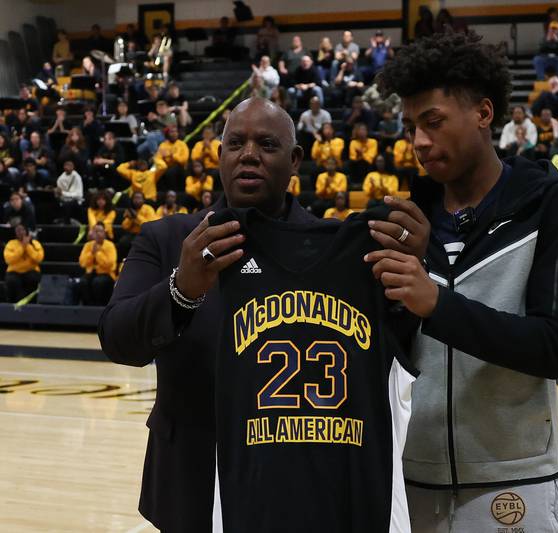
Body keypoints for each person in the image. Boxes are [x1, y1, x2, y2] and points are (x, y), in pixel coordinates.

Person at [99, 97, 429, 531]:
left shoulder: (335, 250)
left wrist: (414, 276)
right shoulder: (170, 240)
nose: (249, 154)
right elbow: (117, 338)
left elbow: (394, 349)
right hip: (191, 478)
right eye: (235, 142)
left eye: (266, 144)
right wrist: (182, 290)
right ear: (219, 156)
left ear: (295, 161)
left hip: (296, 482)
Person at [375, 30, 558, 532]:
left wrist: (437, 304)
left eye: (433, 122)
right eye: (410, 127)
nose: (419, 142)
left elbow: (556, 347)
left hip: (515, 484)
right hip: (411, 480)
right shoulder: (407, 220)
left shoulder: (549, 204)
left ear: (484, 114)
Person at [3, 224, 44, 303]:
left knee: (33, 279)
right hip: (14, 272)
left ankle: (32, 304)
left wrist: (28, 246)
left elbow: (38, 258)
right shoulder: (11, 244)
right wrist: (22, 247)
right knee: (11, 281)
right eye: (18, 230)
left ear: (26, 231)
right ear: (15, 233)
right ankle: (13, 304)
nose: (20, 232)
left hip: (31, 270)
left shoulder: (35, 243)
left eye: (22, 230)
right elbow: (9, 259)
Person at [78, 223, 117, 305]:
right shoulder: (88, 245)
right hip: (91, 273)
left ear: (104, 233)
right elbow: (82, 263)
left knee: (97, 283)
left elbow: (110, 264)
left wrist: (98, 253)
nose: (98, 234)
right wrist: (91, 253)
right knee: (83, 282)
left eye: (100, 231)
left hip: (106, 274)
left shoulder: (110, 245)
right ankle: (88, 305)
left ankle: (99, 306)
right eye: (95, 231)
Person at [155, 125, 190, 192]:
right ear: (168, 134)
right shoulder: (163, 145)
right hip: (166, 166)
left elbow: (183, 160)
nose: (174, 134)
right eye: (172, 132)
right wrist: (163, 165)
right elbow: (158, 158)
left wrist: (172, 155)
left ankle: (174, 191)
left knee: (171, 172)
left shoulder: (182, 144)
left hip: (180, 167)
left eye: (176, 132)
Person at [55, 159, 84, 223]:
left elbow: (79, 195)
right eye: (66, 166)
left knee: (67, 205)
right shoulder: (60, 179)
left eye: (69, 166)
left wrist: (63, 193)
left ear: (73, 167)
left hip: (76, 201)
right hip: (64, 200)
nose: (67, 167)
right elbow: (59, 193)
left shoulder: (77, 177)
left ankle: (66, 224)